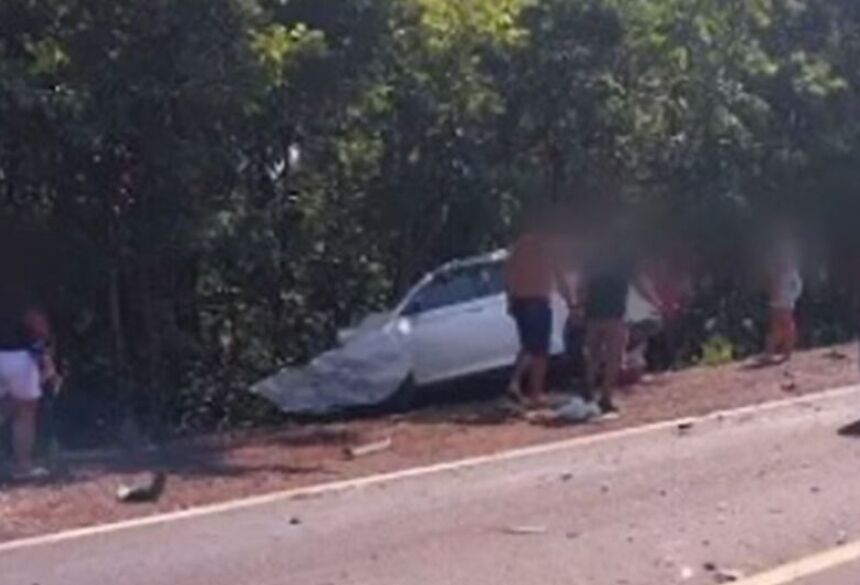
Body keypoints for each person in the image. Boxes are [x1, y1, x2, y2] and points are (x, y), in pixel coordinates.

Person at [577, 239, 662, 418]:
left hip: (593, 314)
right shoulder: (625, 259)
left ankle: (588, 391)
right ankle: (606, 397)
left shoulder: (592, 259)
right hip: (615, 314)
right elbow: (640, 283)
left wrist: (579, 306)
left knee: (593, 355)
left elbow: (582, 284)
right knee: (614, 357)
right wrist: (655, 301)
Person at [504, 219, 571, 408]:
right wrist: (571, 302)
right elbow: (560, 277)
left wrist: (509, 299)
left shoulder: (520, 245)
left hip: (519, 301)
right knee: (539, 349)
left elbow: (508, 273)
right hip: (537, 300)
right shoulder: (548, 248)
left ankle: (522, 387)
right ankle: (531, 391)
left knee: (528, 345)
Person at [0, 285, 57, 480]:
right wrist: (45, 352)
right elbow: (38, 324)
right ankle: (23, 466)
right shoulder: (18, 293)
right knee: (25, 412)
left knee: (7, 408)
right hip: (18, 356)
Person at [763, 232, 803, 363]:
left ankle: (787, 353)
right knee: (776, 328)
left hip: (786, 303)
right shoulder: (775, 269)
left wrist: (792, 298)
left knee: (788, 328)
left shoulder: (791, 270)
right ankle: (770, 353)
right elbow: (770, 284)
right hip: (776, 303)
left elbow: (797, 286)